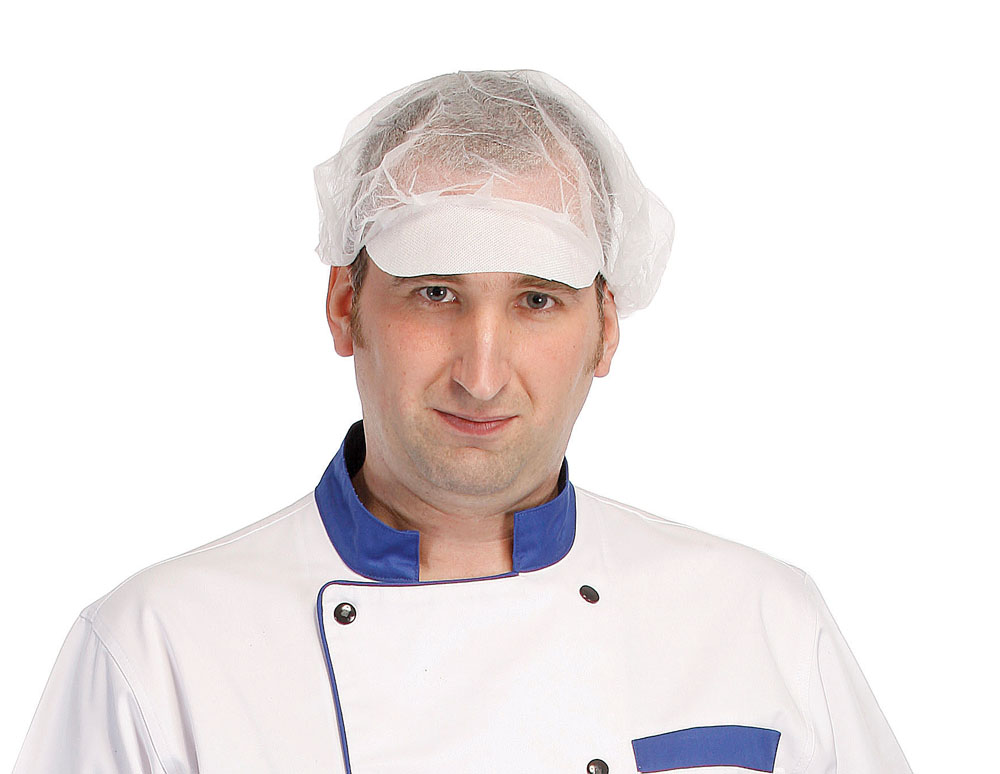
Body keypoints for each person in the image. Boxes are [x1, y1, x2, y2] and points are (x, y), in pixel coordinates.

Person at [14, 70, 912, 773]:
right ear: (345, 307)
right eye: (435, 294)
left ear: (605, 329)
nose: (481, 376)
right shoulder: (159, 652)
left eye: (536, 300)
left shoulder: (761, 622)